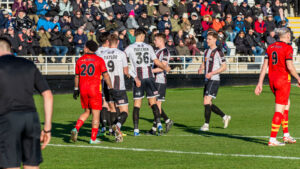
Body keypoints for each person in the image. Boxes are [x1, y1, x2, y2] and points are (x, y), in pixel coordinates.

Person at [0, 37, 53, 169]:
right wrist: (47, 128)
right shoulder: (28, 64)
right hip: (31, 119)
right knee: (32, 165)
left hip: (7, 119)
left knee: (11, 165)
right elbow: (48, 95)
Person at [255, 27, 300, 146]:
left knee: (286, 104)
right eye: (289, 35)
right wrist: (298, 78)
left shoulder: (270, 47)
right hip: (283, 80)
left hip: (272, 81)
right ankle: (272, 139)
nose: (290, 37)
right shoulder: (287, 47)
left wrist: (259, 83)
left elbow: (264, 67)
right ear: (287, 36)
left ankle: (286, 135)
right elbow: (289, 67)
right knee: (279, 110)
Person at [125, 29, 170, 136]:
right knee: (153, 102)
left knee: (137, 104)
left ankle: (136, 130)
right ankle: (159, 124)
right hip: (150, 77)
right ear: (141, 36)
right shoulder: (148, 47)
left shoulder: (130, 48)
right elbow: (156, 61)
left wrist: (131, 74)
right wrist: (165, 67)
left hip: (138, 78)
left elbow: (123, 60)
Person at [71, 40, 113, 144]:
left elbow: (77, 76)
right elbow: (106, 75)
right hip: (95, 90)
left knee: (87, 111)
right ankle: (93, 138)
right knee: (95, 114)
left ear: (87, 48)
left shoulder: (80, 60)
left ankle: (76, 129)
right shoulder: (99, 60)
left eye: (85, 46)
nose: (83, 48)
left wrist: (76, 89)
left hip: (83, 89)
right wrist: (110, 87)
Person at [198, 32, 231, 131]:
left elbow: (224, 67)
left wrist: (212, 73)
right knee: (208, 103)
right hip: (207, 79)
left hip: (214, 79)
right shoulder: (206, 51)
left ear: (214, 40)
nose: (207, 41)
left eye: (209, 39)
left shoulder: (219, 52)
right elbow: (204, 62)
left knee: (206, 101)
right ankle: (225, 117)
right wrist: (201, 68)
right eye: (206, 39)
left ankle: (206, 125)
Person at [101, 34, 129, 142]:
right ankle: (117, 125)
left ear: (108, 42)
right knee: (124, 111)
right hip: (118, 85)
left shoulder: (103, 54)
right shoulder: (121, 54)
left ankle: (113, 131)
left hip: (107, 85)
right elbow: (125, 71)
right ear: (117, 42)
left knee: (112, 108)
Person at [148, 33, 174, 135]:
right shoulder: (155, 51)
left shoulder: (165, 52)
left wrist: (149, 71)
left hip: (159, 80)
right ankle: (167, 120)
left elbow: (163, 66)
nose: (154, 42)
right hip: (153, 80)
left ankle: (154, 128)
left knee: (157, 104)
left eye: (156, 40)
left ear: (161, 41)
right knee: (152, 104)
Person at [95, 32, 112, 135]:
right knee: (111, 104)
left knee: (103, 103)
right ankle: (111, 127)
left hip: (99, 80)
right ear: (107, 41)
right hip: (109, 78)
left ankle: (103, 127)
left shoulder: (97, 51)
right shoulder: (110, 51)